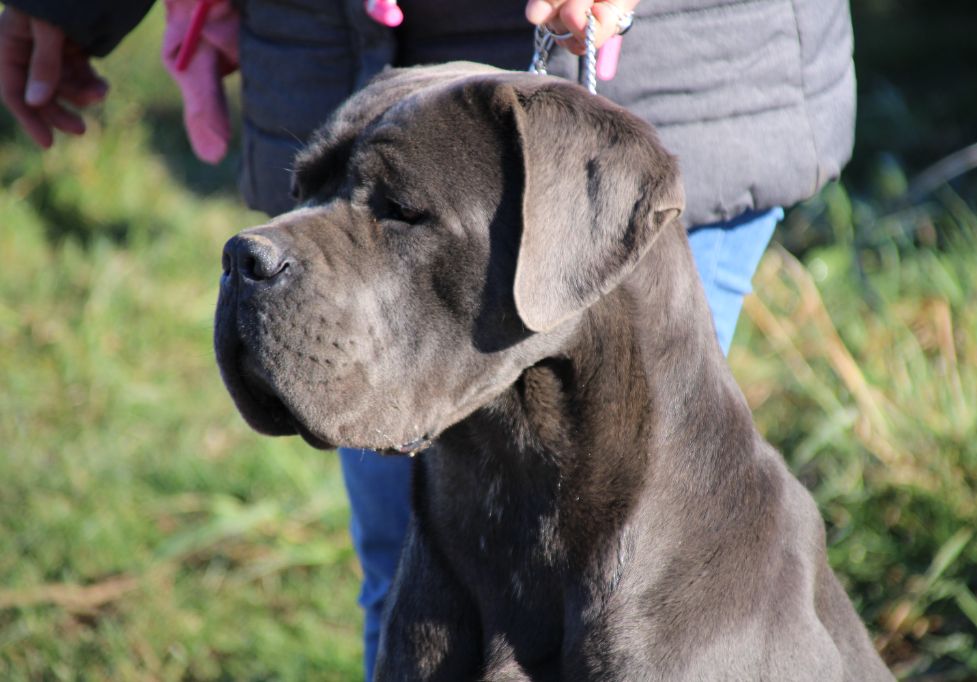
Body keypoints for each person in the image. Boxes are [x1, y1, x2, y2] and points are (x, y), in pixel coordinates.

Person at [0, 0, 855, 676]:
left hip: (689, 69)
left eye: (397, 215)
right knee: (399, 570)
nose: (275, 246)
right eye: (313, 197)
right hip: (345, 45)